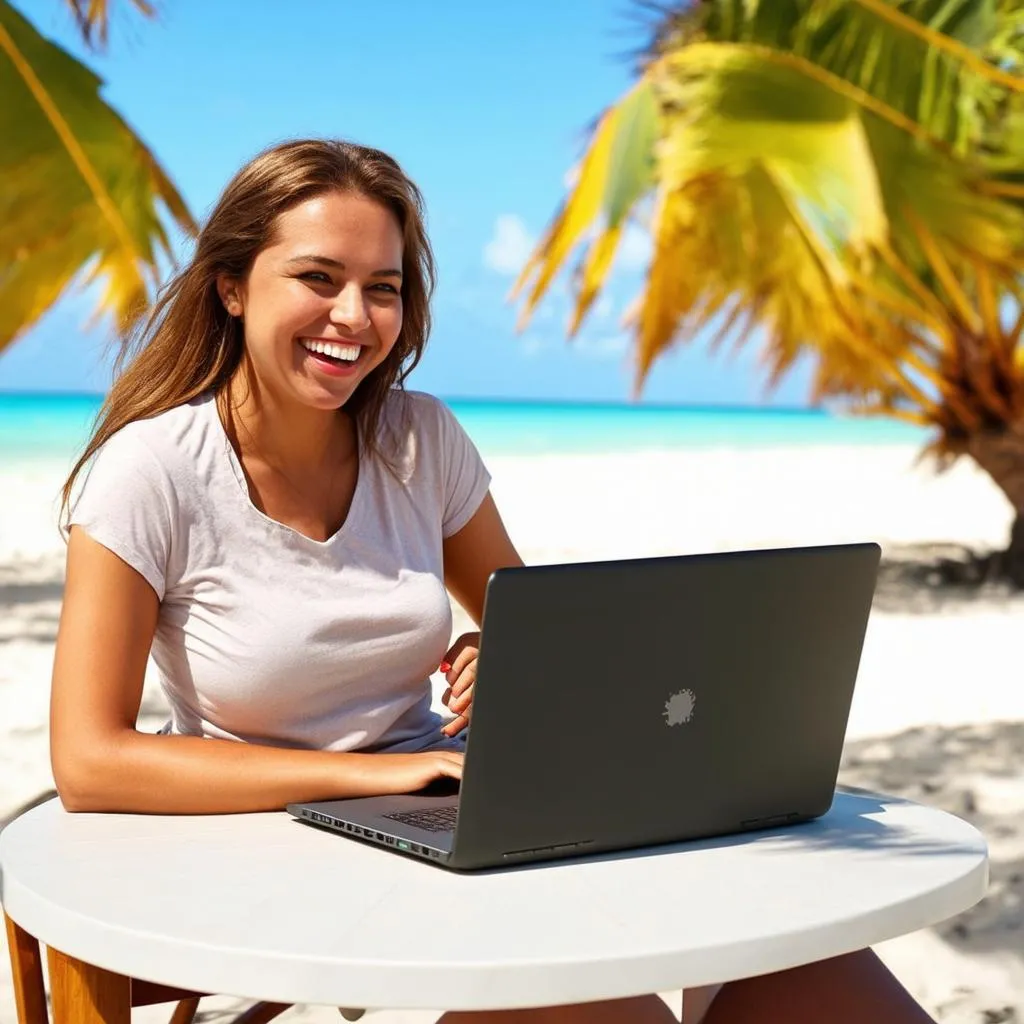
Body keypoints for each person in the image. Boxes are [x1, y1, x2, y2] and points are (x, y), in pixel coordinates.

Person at [50, 139, 936, 1024]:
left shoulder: (418, 439)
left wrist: (501, 656)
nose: (354, 316)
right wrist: (374, 782)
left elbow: (548, 634)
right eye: (318, 278)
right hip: (272, 850)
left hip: (444, 819)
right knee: (601, 999)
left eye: (383, 288)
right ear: (233, 287)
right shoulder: (153, 473)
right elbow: (89, 760)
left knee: (789, 951)